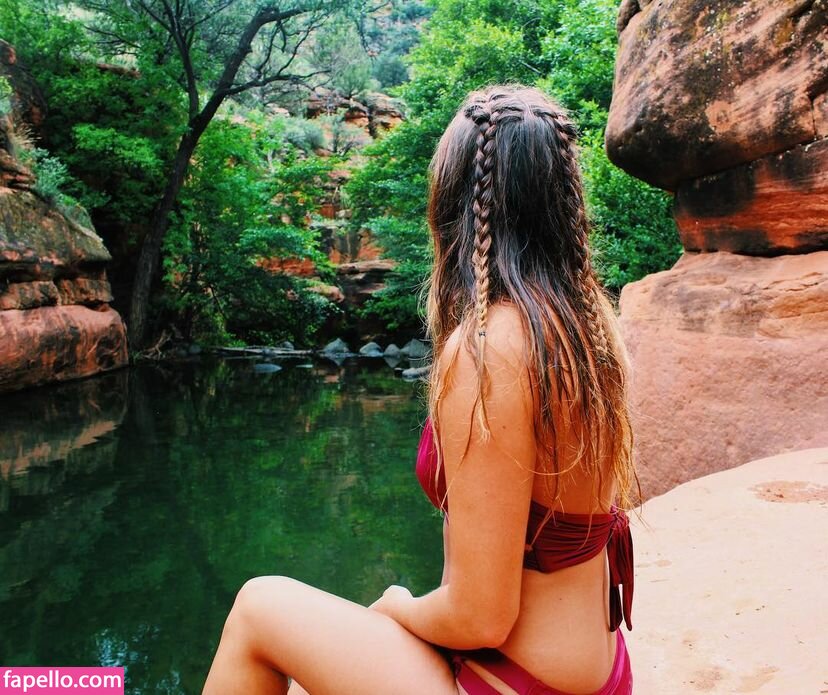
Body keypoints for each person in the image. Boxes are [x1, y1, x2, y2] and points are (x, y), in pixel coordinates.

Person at [202, 83, 637, 695]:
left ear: (457, 203)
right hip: (595, 671)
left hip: (515, 683)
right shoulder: (588, 322)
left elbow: (482, 617)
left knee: (257, 606)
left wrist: (397, 606)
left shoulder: (489, 348)